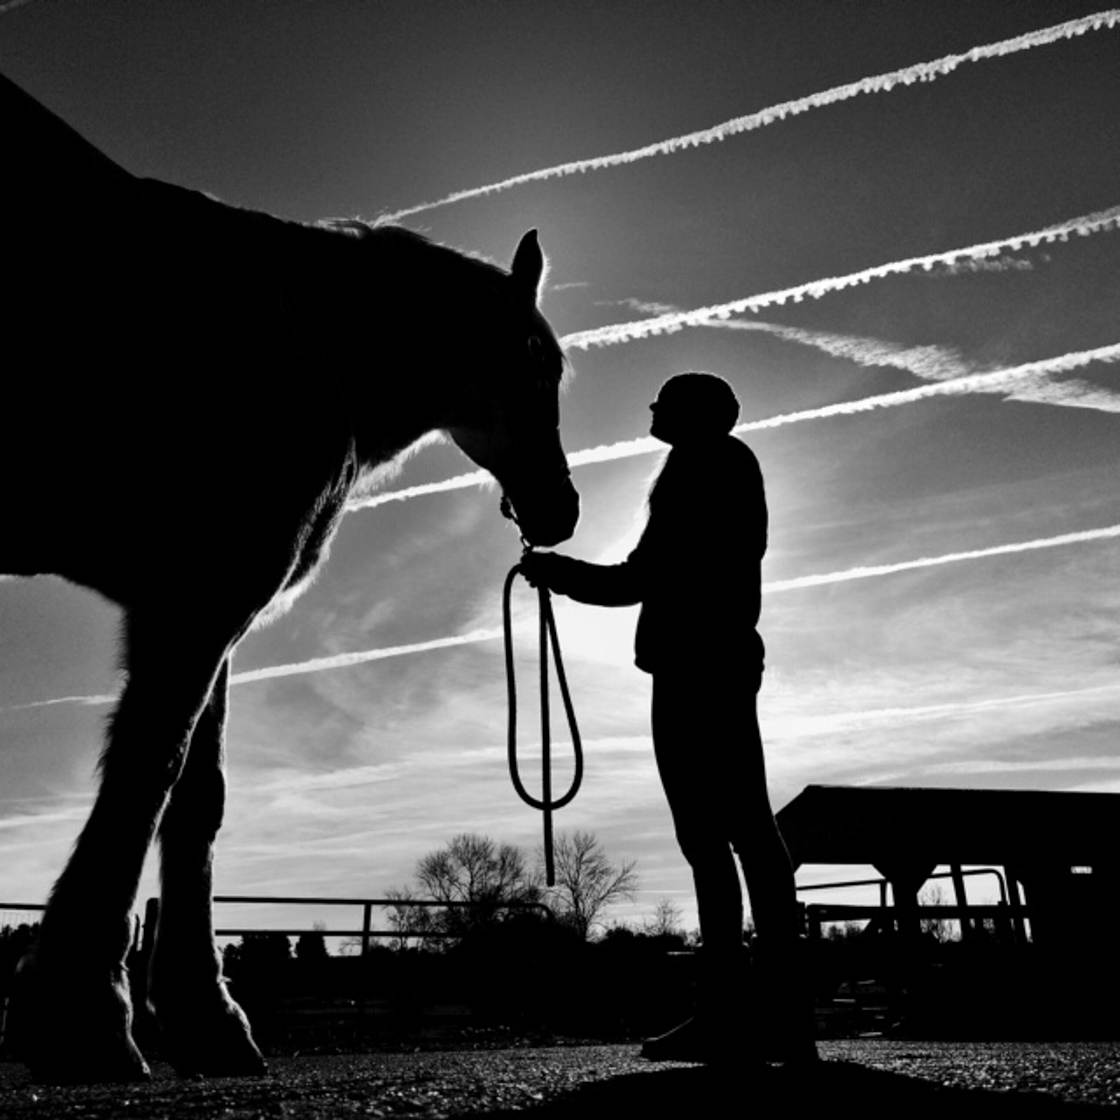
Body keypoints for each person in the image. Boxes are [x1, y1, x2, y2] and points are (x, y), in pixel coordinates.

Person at [519, 371, 815, 1064]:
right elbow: (653, 573)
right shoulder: (718, 465)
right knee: (725, 834)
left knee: (729, 834)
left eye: (662, 402)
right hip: (710, 662)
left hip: (696, 666)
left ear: (690, 414)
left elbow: (642, 577)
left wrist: (562, 574)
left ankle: (749, 1015)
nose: (650, 408)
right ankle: (764, 1013)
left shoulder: (703, 467)